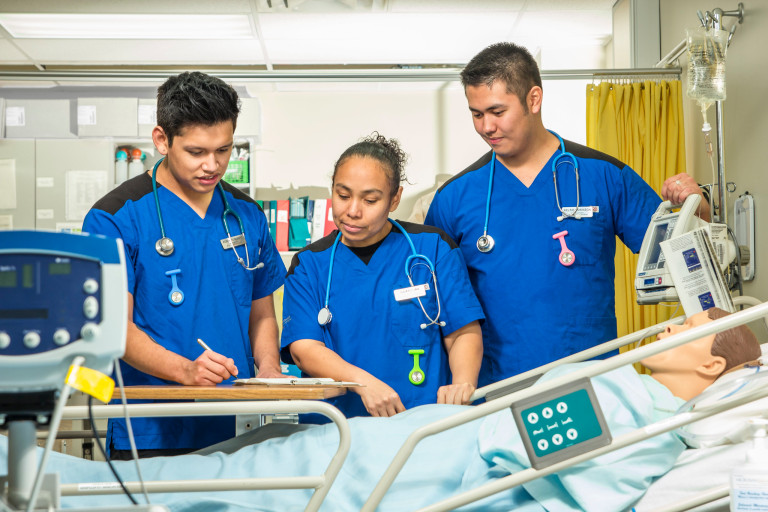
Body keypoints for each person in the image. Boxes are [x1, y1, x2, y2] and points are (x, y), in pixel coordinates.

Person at [4, 309, 759, 512]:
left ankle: (58, 485)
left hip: (426, 466)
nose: (668, 326)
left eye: (688, 328)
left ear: (715, 365)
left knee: (280, 473)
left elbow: (530, 464)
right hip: (416, 435)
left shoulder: (654, 423)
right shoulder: (627, 382)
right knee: (261, 462)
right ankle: (60, 479)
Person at [424, 42, 712, 387]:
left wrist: (700, 209)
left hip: (594, 379)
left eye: (497, 111)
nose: (486, 126)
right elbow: (437, 304)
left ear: (534, 99)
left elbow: (680, 259)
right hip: (496, 387)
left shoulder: (605, 176)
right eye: (476, 113)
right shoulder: (455, 198)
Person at [82, 71, 285, 458]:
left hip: (238, 422)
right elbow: (114, 328)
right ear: (162, 140)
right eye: (196, 152)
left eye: (223, 150)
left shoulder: (246, 215)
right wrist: (186, 372)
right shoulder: (114, 218)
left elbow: (261, 312)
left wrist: (270, 369)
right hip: (151, 426)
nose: (212, 165)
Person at [280, 133, 485, 419]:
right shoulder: (310, 264)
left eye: (370, 199)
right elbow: (304, 348)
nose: (352, 211)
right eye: (343, 195)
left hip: (423, 420)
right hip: (335, 428)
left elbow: (462, 331)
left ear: (394, 199)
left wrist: (463, 383)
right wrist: (362, 383)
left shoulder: (433, 249)